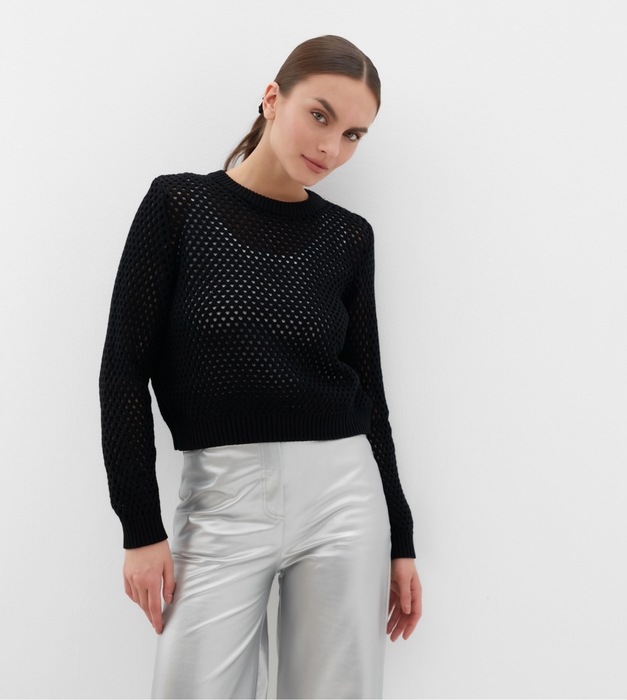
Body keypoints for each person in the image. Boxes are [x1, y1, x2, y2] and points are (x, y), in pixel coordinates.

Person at [99, 34, 422, 699]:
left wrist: (401, 538)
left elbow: (371, 396)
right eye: (320, 115)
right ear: (273, 98)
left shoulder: (348, 237)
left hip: (344, 498)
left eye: (353, 134)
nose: (331, 147)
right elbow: (123, 371)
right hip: (222, 502)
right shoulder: (178, 207)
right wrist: (140, 529)